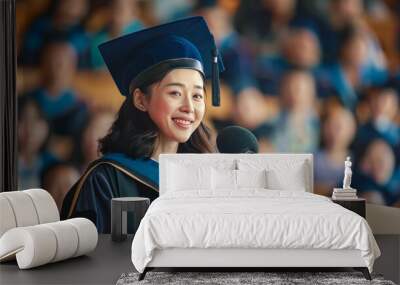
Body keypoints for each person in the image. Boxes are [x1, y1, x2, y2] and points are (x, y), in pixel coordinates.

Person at [61, 17, 224, 233]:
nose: (189, 107)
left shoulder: (207, 178)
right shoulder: (106, 180)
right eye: (175, 92)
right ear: (141, 100)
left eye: (197, 95)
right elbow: (87, 261)